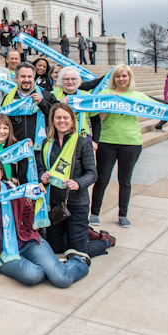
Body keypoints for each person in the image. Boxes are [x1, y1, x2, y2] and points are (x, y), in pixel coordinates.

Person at [0, 156, 90, 288]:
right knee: (33, 276)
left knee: (62, 279)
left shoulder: (16, 192)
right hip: (4, 253)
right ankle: (54, 268)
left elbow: (29, 219)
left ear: (2, 171)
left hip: (28, 243)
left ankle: (78, 261)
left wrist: (36, 201)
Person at [38, 104, 114, 258]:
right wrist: (42, 176)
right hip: (55, 203)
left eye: (66, 118)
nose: (62, 121)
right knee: (57, 249)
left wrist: (78, 183)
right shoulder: (47, 144)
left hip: (77, 202)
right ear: (52, 120)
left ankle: (105, 240)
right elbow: (41, 167)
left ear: (72, 121)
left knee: (78, 253)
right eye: (58, 117)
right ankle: (82, 234)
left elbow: (92, 173)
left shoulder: (82, 143)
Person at [90, 65, 155, 228]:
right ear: (113, 79)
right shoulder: (105, 94)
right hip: (107, 141)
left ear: (129, 78)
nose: (121, 79)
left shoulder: (137, 96)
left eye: (124, 76)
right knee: (102, 178)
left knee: (125, 180)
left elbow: (157, 110)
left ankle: (123, 214)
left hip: (131, 142)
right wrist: (107, 103)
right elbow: (99, 118)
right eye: (118, 76)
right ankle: (94, 213)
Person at [2, 62, 57, 143]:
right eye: (23, 76)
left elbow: (57, 114)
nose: (26, 80)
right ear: (16, 78)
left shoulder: (46, 96)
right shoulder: (8, 99)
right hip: (15, 147)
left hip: (41, 147)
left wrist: (42, 103)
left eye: (29, 77)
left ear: (34, 79)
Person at [53, 66, 101, 143]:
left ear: (78, 81)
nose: (70, 82)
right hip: (59, 139)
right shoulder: (52, 95)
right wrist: (59, 105)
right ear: (61, 81)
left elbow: (95, 120)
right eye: (66, 79)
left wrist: (95, 141)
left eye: (73, 79)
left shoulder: (87, 96)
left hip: (83, 137)